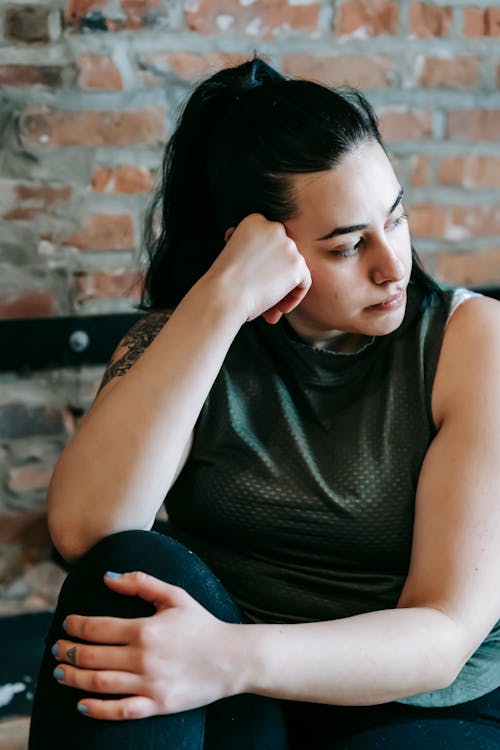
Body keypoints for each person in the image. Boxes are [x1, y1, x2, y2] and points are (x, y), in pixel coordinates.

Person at [28, 57, 500, 749]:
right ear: (258, 248)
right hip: (230, 688)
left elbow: (443, 635)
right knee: (131, 567)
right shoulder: (186, 340)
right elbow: (87, 531)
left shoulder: (473, 343)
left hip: (418, 703)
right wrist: (219, 302)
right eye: (345, 247)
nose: (392, 265)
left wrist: (227, 657)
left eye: (394, 220)